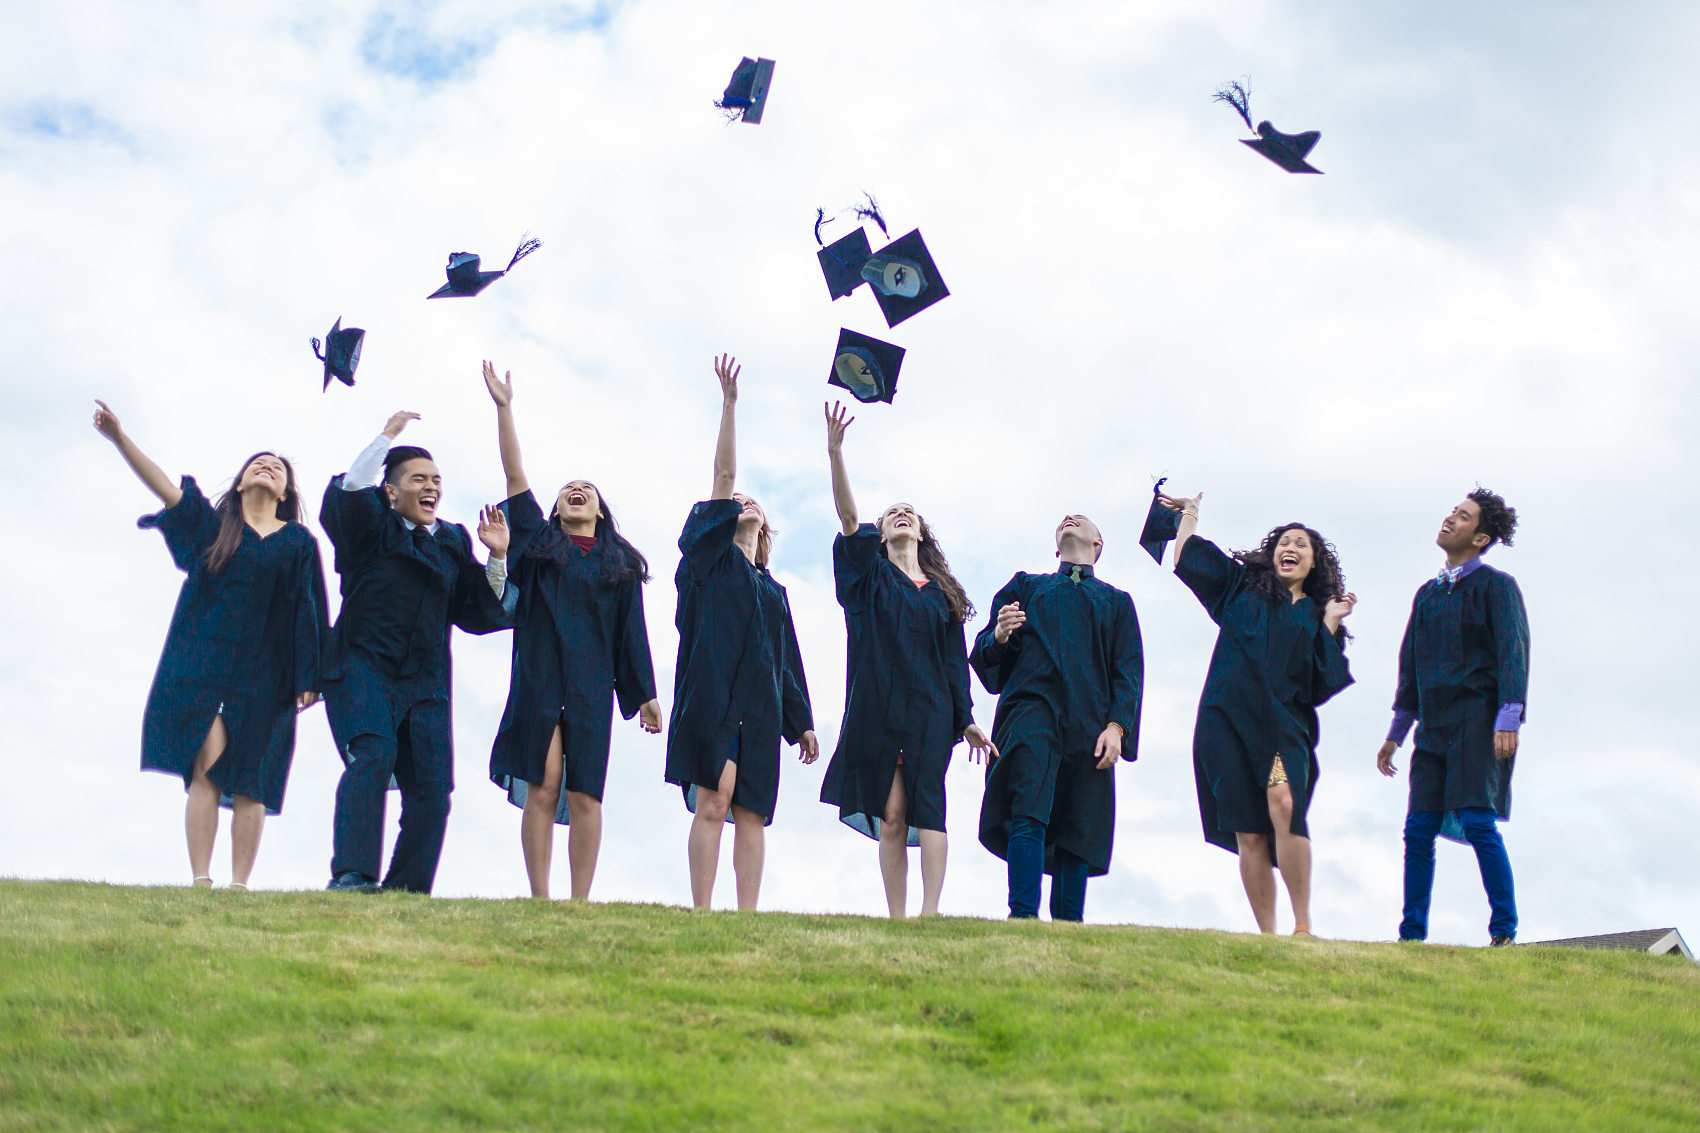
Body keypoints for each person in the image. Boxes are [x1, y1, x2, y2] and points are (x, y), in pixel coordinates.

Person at [93, 400, 327, 890]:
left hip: (268, 674)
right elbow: (164, 485)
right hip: (204, 663)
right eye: (259, 463)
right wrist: (119, 437)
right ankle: (202, 879)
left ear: (285, 492)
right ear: (241, 481)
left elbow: (310, 611)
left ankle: (240, 884)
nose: (269, 467)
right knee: (207, 768)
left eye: (279, 469)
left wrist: (309, 676)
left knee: (253, 779)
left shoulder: (299, 543)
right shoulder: (214, 528)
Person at [481, 361, 662, 901]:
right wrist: (505, 407)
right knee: (543, 784)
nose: (575, 491)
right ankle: (541, 897)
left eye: (586, 489)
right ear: (557, 510)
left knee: (585, 794)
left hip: (591, 685)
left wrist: (645, 695)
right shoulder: (539, 546)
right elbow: (516, 478)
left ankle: (580, 902)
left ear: (601, 511)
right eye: (567, 489)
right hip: (539, 678)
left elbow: (634, 633)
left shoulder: (621, 568)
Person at [318, 410, 511, 894]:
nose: (432, 488)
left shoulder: (449, 540)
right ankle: (354, 875)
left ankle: (407, 891)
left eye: (437, 481)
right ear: (391, 491)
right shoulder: (370, 527)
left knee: (432, 792)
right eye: (419, 479)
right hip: (363, 665)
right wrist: (387, 436)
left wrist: (498, 556)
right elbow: (352, 490)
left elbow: (476, 611)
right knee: (374, 755)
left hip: (426, 682)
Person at [818, 402, 997, 917]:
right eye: (890, 513)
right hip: (877, 705)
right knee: (892, 814)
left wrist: (966, 721)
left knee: (928, 804)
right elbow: (850, 520)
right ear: (883, 533)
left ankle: (930, 912)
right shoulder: (868, 579)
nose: (900, 514)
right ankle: (898, 916)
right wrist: (836, 453)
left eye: (909, 513)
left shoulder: (942, 596)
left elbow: (954, 664)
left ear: (920, 532)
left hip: (931, 709)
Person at [1158, 490, 1355, 937]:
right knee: (1249, 832)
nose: (1292, 547)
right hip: (1225, 721)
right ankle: (1268, 937)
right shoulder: (1240, 587)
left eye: (1303, 544)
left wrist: (1330, 622)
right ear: (1273, 553)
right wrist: (1189, 513)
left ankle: (1302, 925)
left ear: (1314, 563)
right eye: (1285, 540)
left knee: (1284, 803)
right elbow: (1187, 556)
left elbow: (1318, 683)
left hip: (1283, 728)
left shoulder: (1315, 614)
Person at [666, 354, 818, 910]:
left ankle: (747, 916)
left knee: (752, 810)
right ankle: (702, 909)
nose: (745, 502)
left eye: (756, 503)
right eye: (738, 504)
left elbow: (789, 664)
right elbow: (724, 479)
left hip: (763, 705)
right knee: (716, 797)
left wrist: (801, 724)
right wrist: (730, 405)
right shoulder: (712, 565)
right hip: (713, 695)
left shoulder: (775, 592)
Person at [970, 514, 1144, 922]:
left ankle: (1069, 927)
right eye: (1065, 519)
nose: (1070, 518)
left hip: (1092, 724)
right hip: (1032, 711)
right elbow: (985, 655)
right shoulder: (1027, 587)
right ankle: (1023, 915)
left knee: (1078, 823)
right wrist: (998, 636)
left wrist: (1117, 727)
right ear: (1055, 548)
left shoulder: (1117, 602)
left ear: (1098, 543)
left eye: (1081, 519)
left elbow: (1128, 672)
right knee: (1028, 804)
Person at [1376, 489, 1529, 947]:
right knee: (1418, 829)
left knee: (1478, 821)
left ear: (1480, 537)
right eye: (1451, 512)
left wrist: (1509, 717)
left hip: (1479, 722)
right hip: (1433, 728)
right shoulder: (1427, 595)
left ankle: (1503, 932)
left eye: (1462, 517)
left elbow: (1513, 652)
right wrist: (1396, 734)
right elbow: (1411, 668)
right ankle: (1411, 936)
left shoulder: (1497, 587)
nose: (1449, 520)